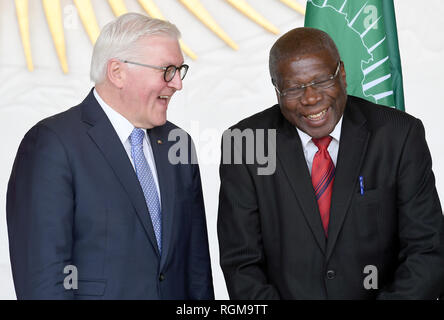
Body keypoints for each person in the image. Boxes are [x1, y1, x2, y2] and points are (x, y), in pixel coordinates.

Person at [217, 27, 444, 299]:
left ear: (342, 74)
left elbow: (427, 251)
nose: (311, 98)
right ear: (277, 90)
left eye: (322, 80)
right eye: (293, 88)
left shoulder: (399, 136)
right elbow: (241, 265)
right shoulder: (244, 144)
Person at [7, 13, 214, 300]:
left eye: (180, 70)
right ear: (117, 72)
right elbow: (43, 278)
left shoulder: (178, 144)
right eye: (167, 70)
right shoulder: (52, 144)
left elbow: (196, 268)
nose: (177, 83)